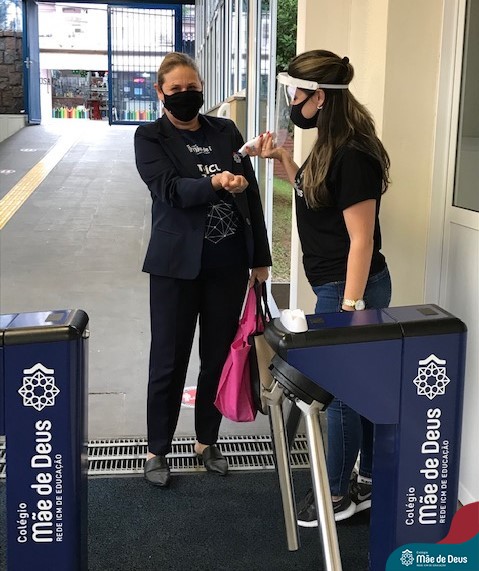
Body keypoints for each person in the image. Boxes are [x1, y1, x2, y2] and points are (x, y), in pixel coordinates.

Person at [245, 49, 391, 524]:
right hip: (338, 283)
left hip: (351, 286)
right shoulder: (331, 144)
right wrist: (284, 160)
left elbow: (362, 239)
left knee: (340, 394)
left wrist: (349, 305)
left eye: (296, 93)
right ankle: (367, 480)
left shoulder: (354, 154)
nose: (292, 101)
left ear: (320, 97)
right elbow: (314, 195)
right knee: (358, 388)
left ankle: (337, 495)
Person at [134, 52, 271, 488]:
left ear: (202, 89)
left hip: (227, 266)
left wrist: (260, 257)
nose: (185, 95)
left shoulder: (225, 131)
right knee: (168, 360)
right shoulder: (150, 137)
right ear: (160, 93)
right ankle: (157, 449)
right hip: (175, 268)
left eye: (192, 88)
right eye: (175, 89)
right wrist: (215, 182)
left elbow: (250, 196)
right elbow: (169, 190)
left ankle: (206, 441)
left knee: (217, 357)